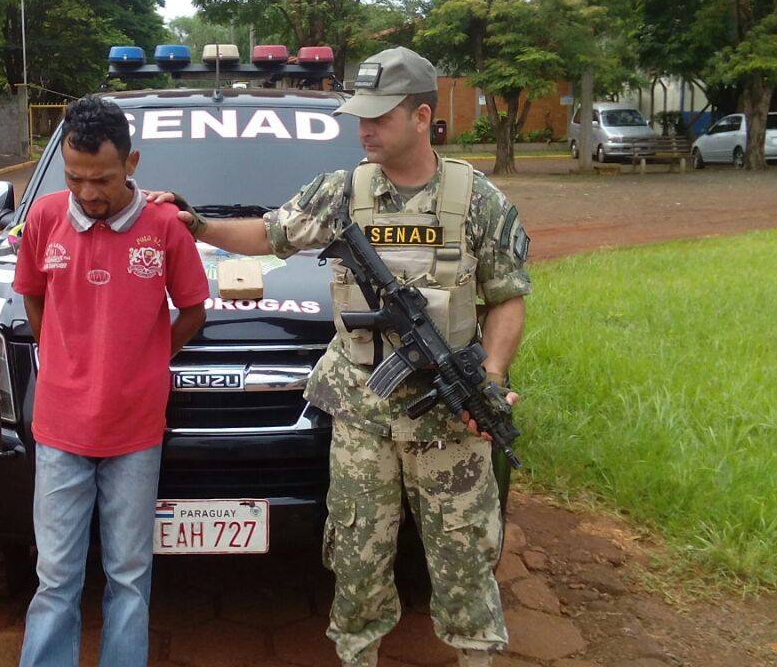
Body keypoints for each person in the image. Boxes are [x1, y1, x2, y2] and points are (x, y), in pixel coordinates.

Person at [151, 47, 530, 667]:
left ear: (421, 116)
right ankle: (358, 655)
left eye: (380, 116)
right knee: (357, 553)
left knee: (464, 553)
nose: (365, 128)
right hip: (361, 415)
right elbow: (270, 234)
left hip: (448, 423)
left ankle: (475, 657)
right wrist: (194, 223)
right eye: (360, 115)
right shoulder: (342, 192)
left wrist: (489, 376)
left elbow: (508, 298)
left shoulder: (478, 199)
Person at [12, 95, 209, 666]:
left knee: (128, 575)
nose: (88, 193)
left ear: (132, 163)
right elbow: (32, 295)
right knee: (55, 576)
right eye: (75, 178)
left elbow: (193, 311)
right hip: (59, 428)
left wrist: (145, 361)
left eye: (102, 178)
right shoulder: (47, 217)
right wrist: (63, 354)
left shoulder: (166, 225)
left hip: (135, 431)